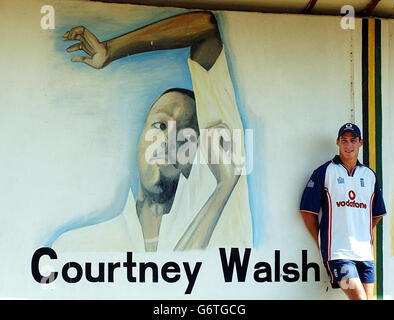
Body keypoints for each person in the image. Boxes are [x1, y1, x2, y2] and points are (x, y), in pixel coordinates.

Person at [51, 12, 253, 252]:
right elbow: (204, 28)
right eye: (160, 126)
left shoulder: (223, 214)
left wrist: (223, 188)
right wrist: (109, 50)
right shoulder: (77, 247)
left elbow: (205, 31)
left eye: (186, 136)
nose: (169, 141)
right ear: (139, 140)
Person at [299, 123, 387, 300]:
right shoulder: (325, 171)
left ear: (360, 143)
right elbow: (307, 211)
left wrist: (360, 230)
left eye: (353, 141)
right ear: (338, 142)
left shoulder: (369, 175)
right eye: (344, 141)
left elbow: (377, 214)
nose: (349, 146)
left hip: (365, 256)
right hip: (338, 254)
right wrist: (320, 240)